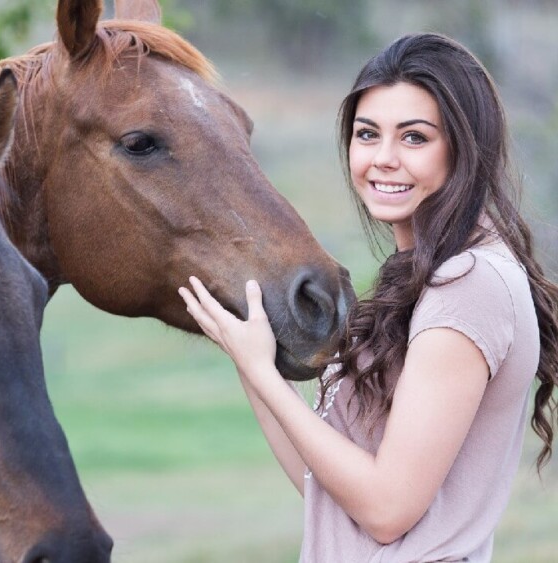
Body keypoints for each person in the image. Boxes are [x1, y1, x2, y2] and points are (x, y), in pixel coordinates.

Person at [178, 32, 558, 562]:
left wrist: (265, 373)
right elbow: (328, 494)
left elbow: (385, 511)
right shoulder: (430, 275)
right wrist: (250, 360)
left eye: (415, 138)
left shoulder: (470, 283)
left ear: (467, 147)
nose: (382, 159)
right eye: (366, 134)